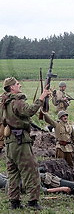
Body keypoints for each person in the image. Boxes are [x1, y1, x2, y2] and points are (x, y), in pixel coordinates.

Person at [1, 77, 51, 210]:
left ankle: (14, 202)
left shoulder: (4, 102)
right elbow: (29, 110)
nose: (20, 85)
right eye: (17, 84)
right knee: (31, 171)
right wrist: (41, 97)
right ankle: (33, 202)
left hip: (9, 142)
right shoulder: (16, 101)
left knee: (13, 173)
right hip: (20, 142)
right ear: (12, 87)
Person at [0, 172, 74, 195]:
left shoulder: (15, 177)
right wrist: (62, 189)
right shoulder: (23, 183)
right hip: (51, 181)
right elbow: (44, 191)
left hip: (49, 178)